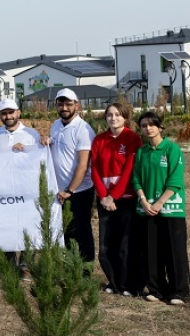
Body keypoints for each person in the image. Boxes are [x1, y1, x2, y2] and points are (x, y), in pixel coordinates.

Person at [129, 112, 188, 305]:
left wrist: (160, 202)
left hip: (171, 209)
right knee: (151, 251)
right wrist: (144, 201)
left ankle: (179, 291)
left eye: (152, 124)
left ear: (160, 127)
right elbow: (136, 178)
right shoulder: (142, 152)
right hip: (147, 209)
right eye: (144, 125)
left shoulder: (172, 149)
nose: (148, 128)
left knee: (174, 250)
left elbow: (175, 180)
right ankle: (157, 289)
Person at [0, 98, 41, 280]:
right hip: (4, 188)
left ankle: (26, 266)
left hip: (27, 188)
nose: (8, 116)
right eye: (4, 113)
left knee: (28, 226)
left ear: (18, 113)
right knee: (7, 226)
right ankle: (9, 264)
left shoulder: (31, 134)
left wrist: (27, 149)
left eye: (11, 112)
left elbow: (39, 156)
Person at [89, 103, 141, 295]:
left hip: (125, 198)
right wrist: (103, 196)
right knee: (106, 245)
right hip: (104, 200)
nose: (113, 118)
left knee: (125, 246)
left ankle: (129, 284)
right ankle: (114, 281)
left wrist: (114, 196)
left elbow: (129, 170)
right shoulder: (99, 140)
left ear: (125, 118)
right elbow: (94, 169)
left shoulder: (132, 138)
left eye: (118, 115)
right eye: (110, 115)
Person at [40, 88, 96, 265]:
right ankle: (71, 269)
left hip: (79, 190)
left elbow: (83, 164)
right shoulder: (56, 125)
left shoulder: (83, 130)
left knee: (81, 231)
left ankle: (85, 271)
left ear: (76, 105)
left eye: (68, 104)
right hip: (60, 190)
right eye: (60, 103)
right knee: (66, 231)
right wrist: (45, 141)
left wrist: (69, 190)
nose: (64, 107)